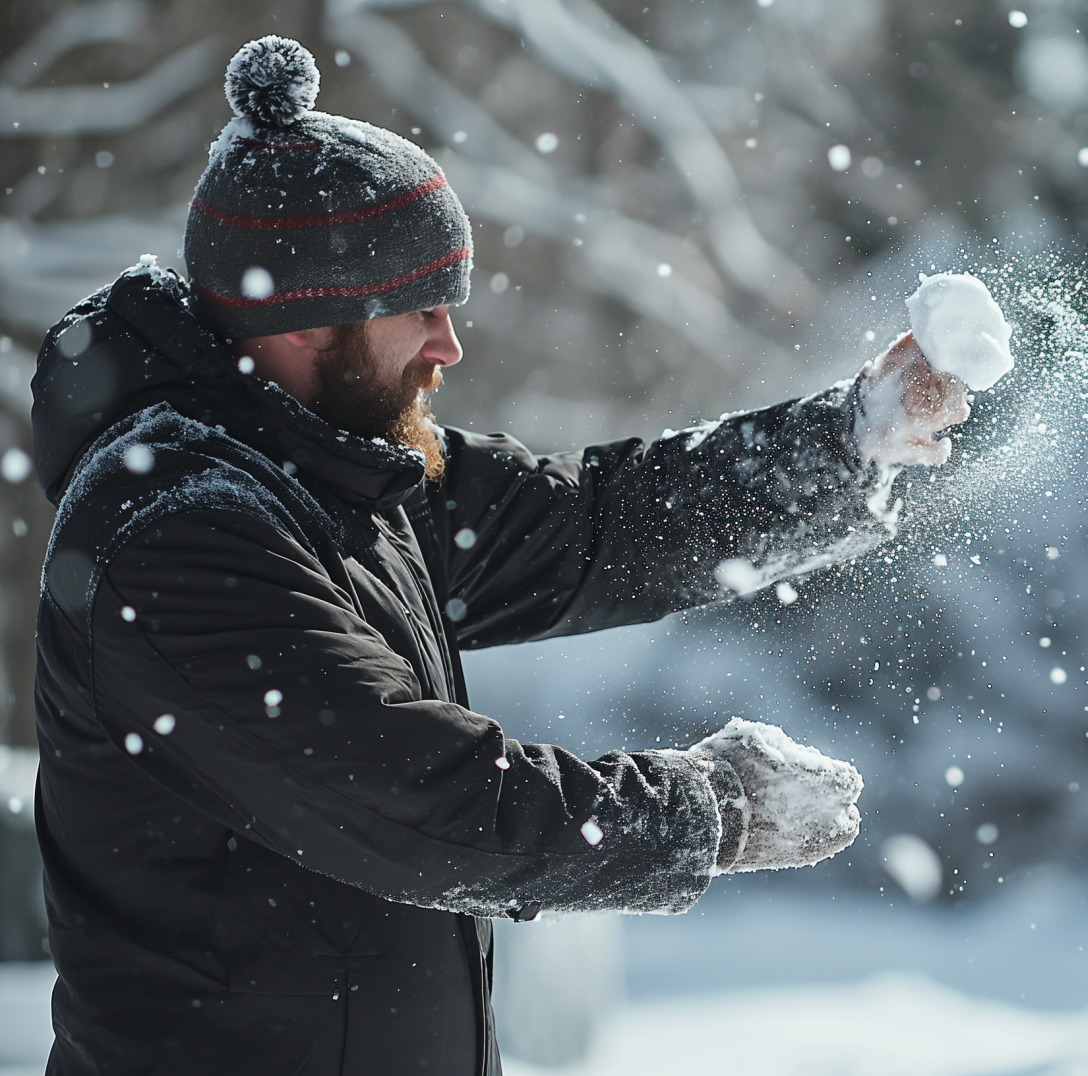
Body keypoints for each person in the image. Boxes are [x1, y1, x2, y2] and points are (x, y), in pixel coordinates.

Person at [29, 36, 968, 1075]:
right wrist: (711, 810)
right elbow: (425, 804)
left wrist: (842, 442)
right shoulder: (176, 535)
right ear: (301, 320)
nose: (448, 345)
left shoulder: (340, 474)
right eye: (418, 308)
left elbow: (594, 521)